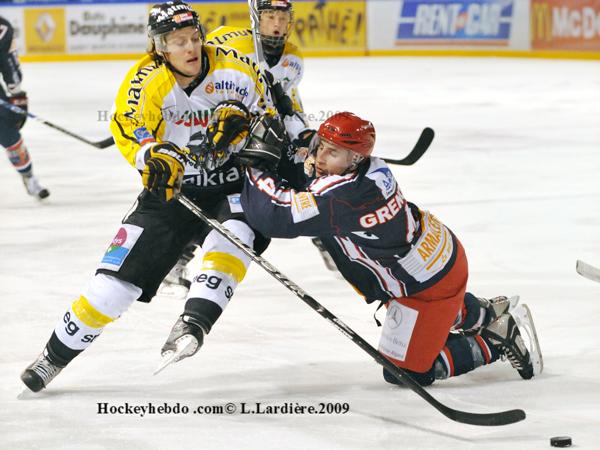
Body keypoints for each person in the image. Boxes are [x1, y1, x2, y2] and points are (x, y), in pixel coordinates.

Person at [20, 0, 273, 392]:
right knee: (113, 286)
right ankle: (54, 355)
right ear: (159, 47)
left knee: (238, 234)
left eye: (193, 38)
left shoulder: (237, 69)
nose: (189, 48)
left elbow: (270, 122)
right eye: (177, 42)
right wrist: (150, 154)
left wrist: (248, 129)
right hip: (172, 190)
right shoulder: (146, 80)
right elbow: (131, 128)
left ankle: (194, 321)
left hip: (232, 184)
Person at [238, 112, 543, 386]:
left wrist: (254, 163)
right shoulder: (364, 172)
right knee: (434, 312)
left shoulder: (346, 197)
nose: (319, 157)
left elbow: (274, 216)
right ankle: (487, 312)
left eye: (332, 152)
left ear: (354, 159)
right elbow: (307, 175)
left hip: (428, 286)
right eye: (320, 146)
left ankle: (496, 339)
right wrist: (295, 145)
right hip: (433, 264)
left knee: (406, 372)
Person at [160, 0, 316, 293]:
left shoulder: (293, 58)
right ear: (257, 18)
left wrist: (303, 132)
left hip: (256, 139)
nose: (277, 24)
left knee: (291, 181)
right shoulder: (232, 41)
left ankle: (323, 237)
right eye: (269, 15)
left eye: (282, 17)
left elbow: (289, 101)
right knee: (208, 198)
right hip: (217, 136)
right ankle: (176, 262)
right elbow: (194, 72)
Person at [0, 15, 49, 200]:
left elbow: (8, 61)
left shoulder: (2, 28)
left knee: (8, 130)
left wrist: (16, 92)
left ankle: (29, 177)